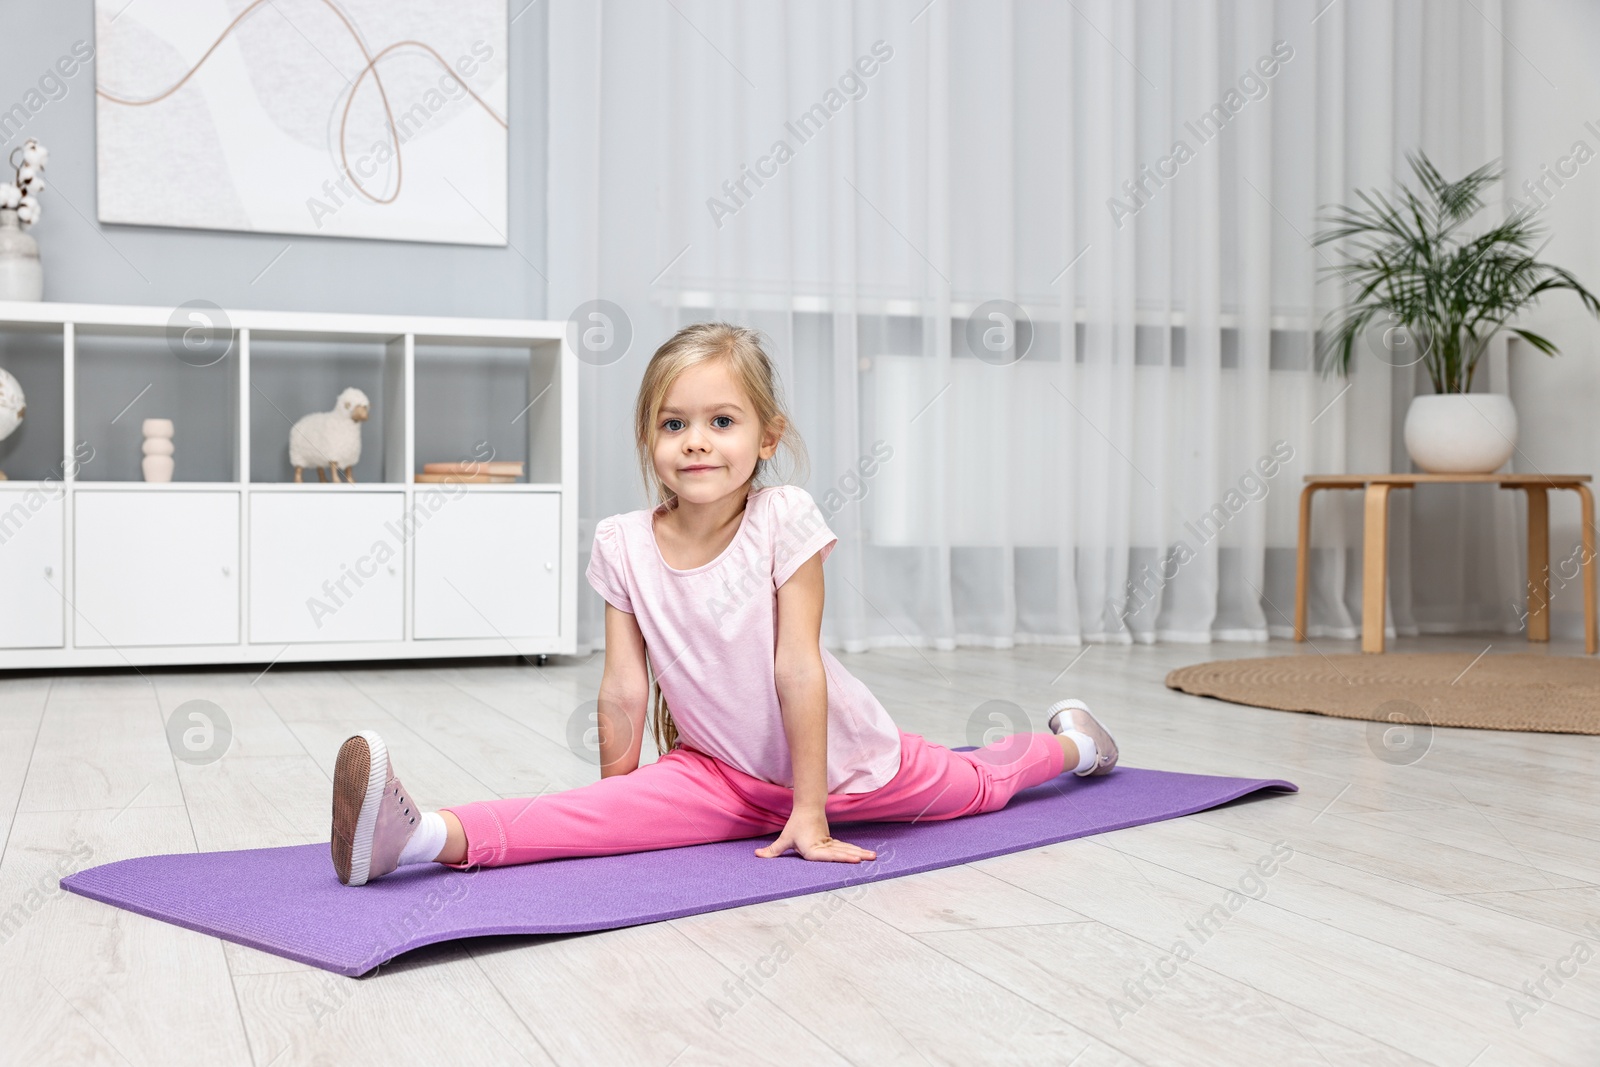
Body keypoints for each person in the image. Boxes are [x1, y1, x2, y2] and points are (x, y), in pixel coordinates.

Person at [329, 322, 1117, 887]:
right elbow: (623, 687)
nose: (696, 440)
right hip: (719, 774)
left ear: (766, 437)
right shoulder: (622, 541)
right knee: (570, 812)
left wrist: (811, 812)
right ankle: (418, 835)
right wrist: (614, 806)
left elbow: (798, 669)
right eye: (674, 424)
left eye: (721, 421)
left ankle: (1075, 746)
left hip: (849, 767)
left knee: (977, 786)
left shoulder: (784, 518)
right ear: (650, 440)